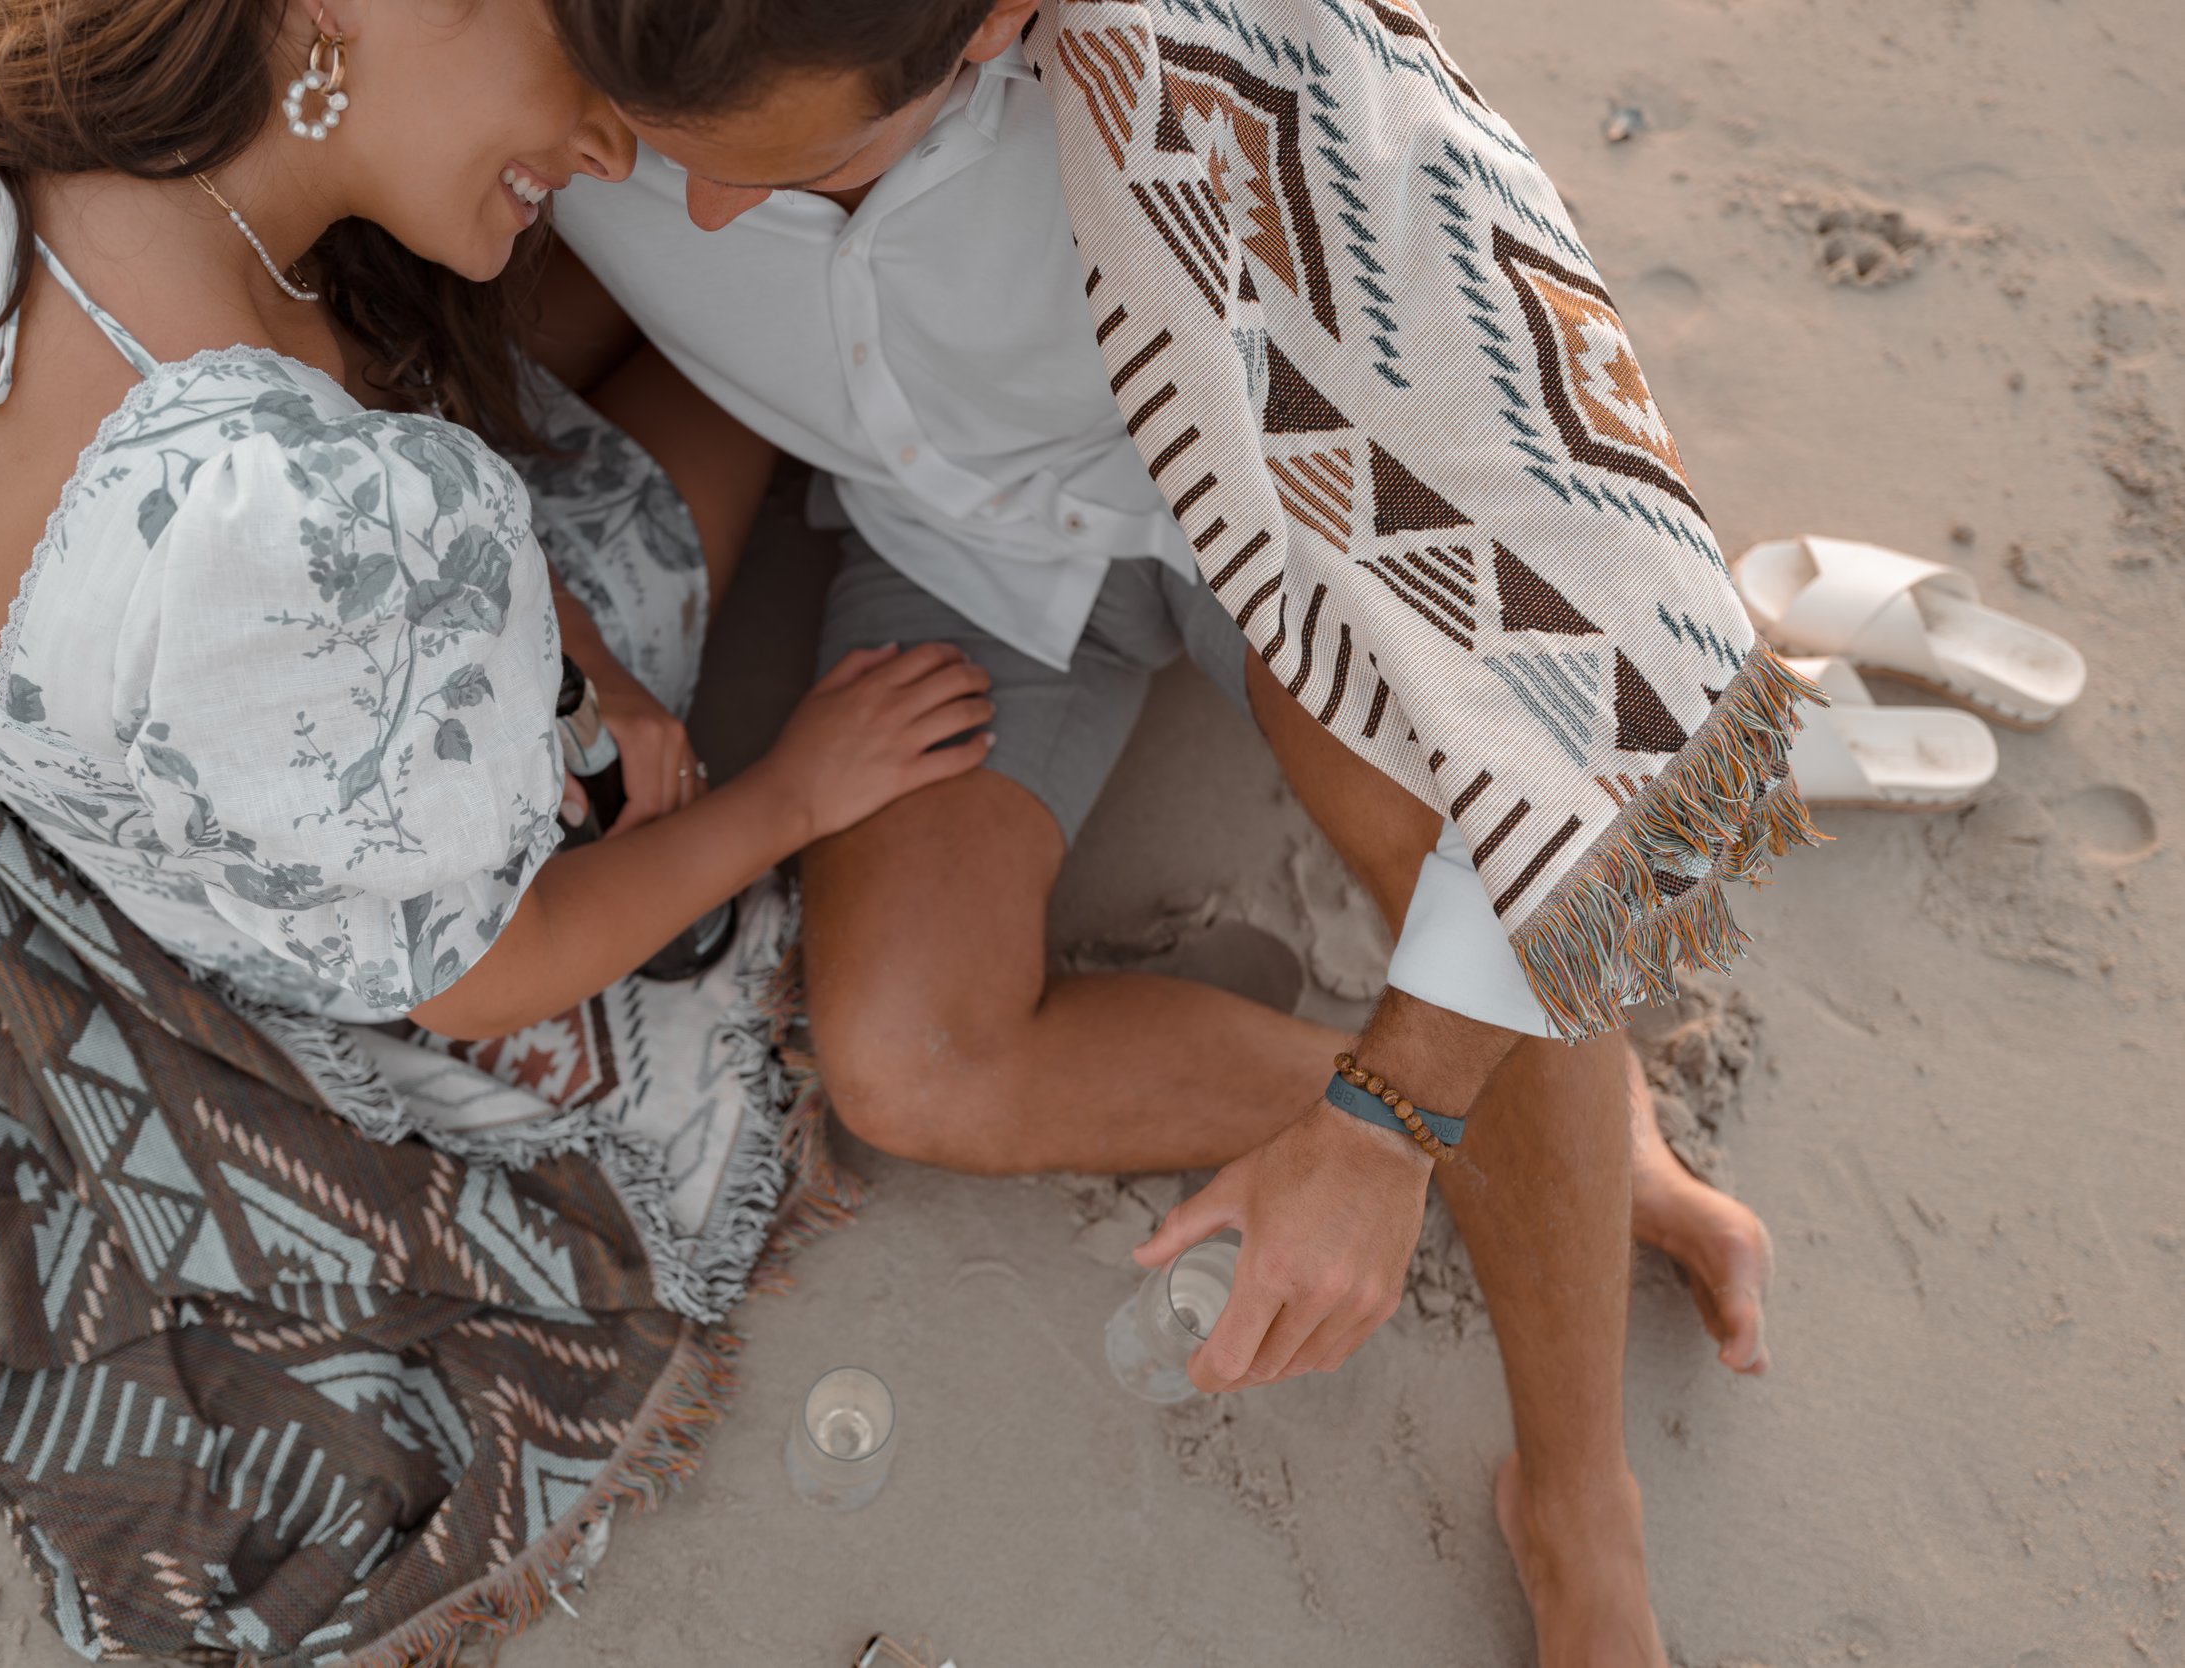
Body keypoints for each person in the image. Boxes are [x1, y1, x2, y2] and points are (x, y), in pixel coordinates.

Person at [543, 0, 1783, 1659]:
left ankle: (1575, 1501)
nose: (697, 214)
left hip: (1262, 516)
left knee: (1488, 832)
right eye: (655, 161)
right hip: (946, 555)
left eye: (800, 170)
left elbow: (1648, 717)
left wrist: (1387, 1126)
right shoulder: (575, 42)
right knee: (908, 1059)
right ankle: (1551, 1146)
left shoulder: (1266, 83)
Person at [0, 0, 992, 1659]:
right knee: (744, 403)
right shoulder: (327, 541)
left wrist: (541, 636)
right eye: (585, 43)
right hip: (300, 782)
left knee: (619, 358)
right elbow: (492, 979)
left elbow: (314, 522)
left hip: (124, 706)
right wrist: (794, 793)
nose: (624, 139)